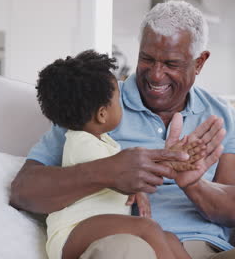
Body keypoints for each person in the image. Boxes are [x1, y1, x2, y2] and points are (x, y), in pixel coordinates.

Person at [10, 0, 235, 259]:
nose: (156, 75)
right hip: (129, 247)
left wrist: (192, 183)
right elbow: (25, 191)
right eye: (147, 59)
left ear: (199, 62)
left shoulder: (224, 117)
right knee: (125, 249)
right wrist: (109, 170)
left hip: (204, 250)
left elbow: (233, 211)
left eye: (171, 63)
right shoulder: (96, 104)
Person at [35, 49, 206, 259]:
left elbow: (122, 174)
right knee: (148, 228)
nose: (122, 104)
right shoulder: (81, 143)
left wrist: (140, 188)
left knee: (168, 238)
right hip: (72, 232)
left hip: (92, 229)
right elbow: (119, 171)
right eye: (118, 99)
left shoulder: (104, 141)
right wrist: (159, 163)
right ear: (102, 114)